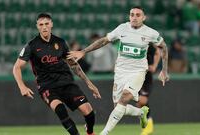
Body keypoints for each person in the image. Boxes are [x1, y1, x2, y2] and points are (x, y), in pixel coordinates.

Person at [67, 6, 169, 135]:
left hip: (138, 72)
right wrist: (83, 51)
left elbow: (163, 46)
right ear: (129, 16)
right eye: (132, 14)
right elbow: (104, 40)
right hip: (121, 72)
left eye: (138, 15)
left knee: (125, 98)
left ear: (144, 18)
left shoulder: (150, 33)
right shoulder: (122, 28)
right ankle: (141, 112)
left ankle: (104, 132)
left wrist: (164, 70)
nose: (134, 17)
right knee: (119, 107)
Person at [12, 13, 101, 135]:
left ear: (51, 24)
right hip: (47, 86)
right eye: (41, 24)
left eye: (47, 24)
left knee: (88, 111)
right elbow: (17, 67)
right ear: (37, 26)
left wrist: (89, 84)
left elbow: (73, 64)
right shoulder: (31, 46)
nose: (44, 27)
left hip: (66, 83)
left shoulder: (61, 42)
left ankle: (90, 131)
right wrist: (22, 86)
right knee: (60, 110)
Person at [136, 45, 161, 135]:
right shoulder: (131, 42)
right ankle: (146, 125)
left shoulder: (146, 43)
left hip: (146, 76)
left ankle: (148, 126)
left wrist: (154, 65)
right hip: (134, 76)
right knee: (139, 103)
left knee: (142, 100)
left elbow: (158, 52)